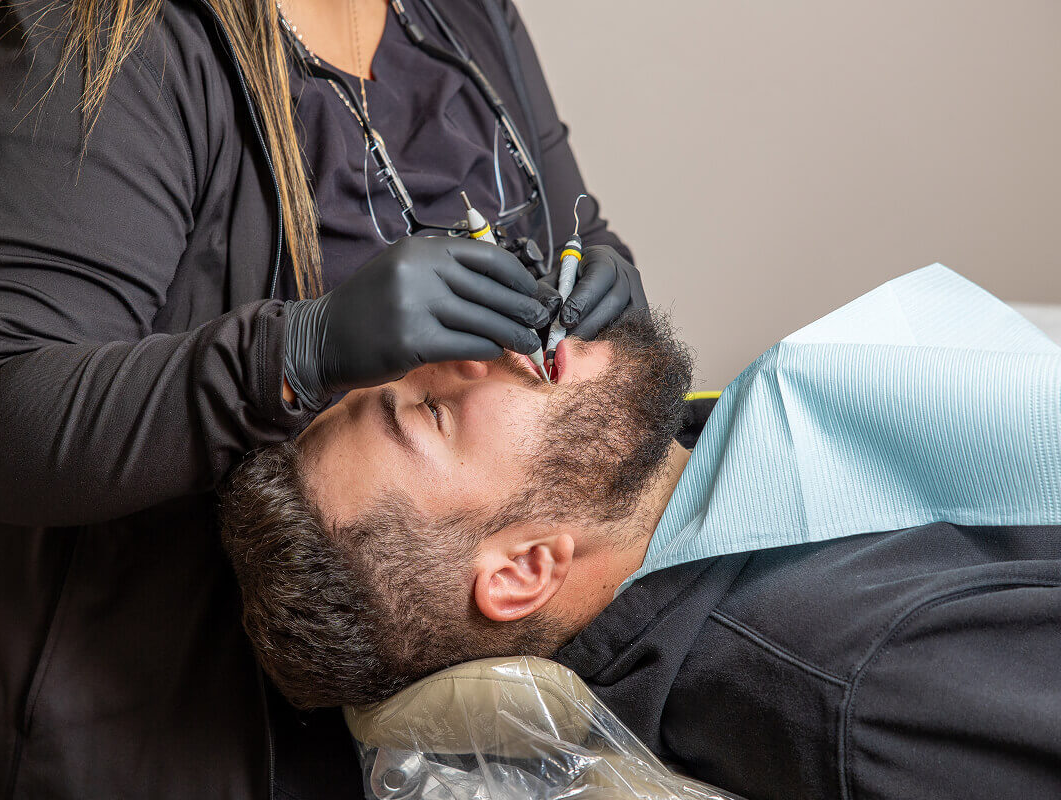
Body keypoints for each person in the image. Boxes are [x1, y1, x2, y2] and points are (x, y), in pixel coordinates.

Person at [0, 0, 647, 797]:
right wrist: (301, 352)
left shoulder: (465, 15)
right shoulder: (97, 38)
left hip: (424, 750)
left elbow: (580, 232)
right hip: (160, 739)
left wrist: (611, 291)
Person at [221, 272, 1061, 800]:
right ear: (524, 571)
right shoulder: (857, 685)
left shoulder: (692, 474)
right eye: (431, 409)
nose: (456, 350)